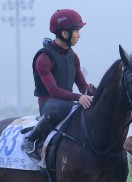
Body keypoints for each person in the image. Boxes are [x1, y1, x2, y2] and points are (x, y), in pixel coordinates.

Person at [22, 9, 95, 160]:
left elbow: (82, 85)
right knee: (62, 107)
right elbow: (53, 91)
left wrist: (90, 91)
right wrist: (79, 97)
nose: (79, 35)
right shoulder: (44, 58)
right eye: (76, 31)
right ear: (64, 33)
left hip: (67, 102)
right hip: (50, 104)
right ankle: (31, 139)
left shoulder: (73, 56)